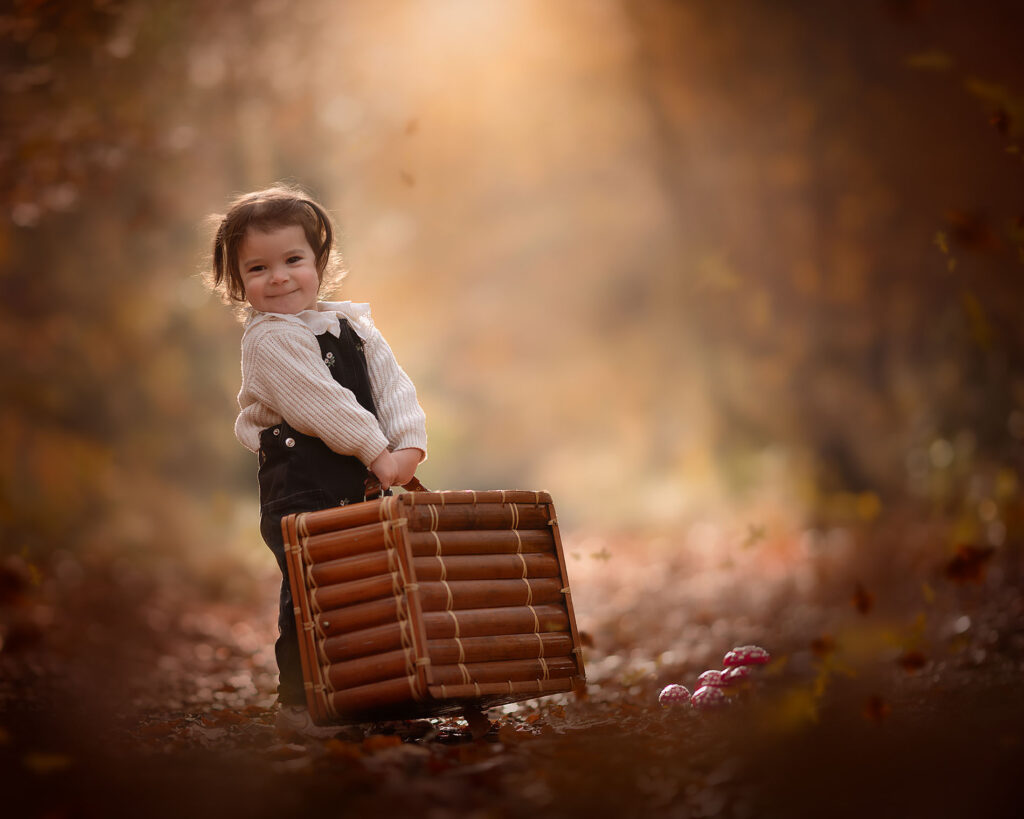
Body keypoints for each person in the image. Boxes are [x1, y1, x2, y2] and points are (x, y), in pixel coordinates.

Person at [205, 184, 427, 738]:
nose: (278, 277)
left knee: (368, 588)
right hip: (302, 487)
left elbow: (392, 387)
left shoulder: (352, 326)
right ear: (238, 282)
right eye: (258, 268)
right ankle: (302, 702)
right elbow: (319, 405)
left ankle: (369, 694)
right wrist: (377, 452)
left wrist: (408, 446)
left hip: (361, 480)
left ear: (319, 263)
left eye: (292, 260)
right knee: (312, 594)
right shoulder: (270, 339)